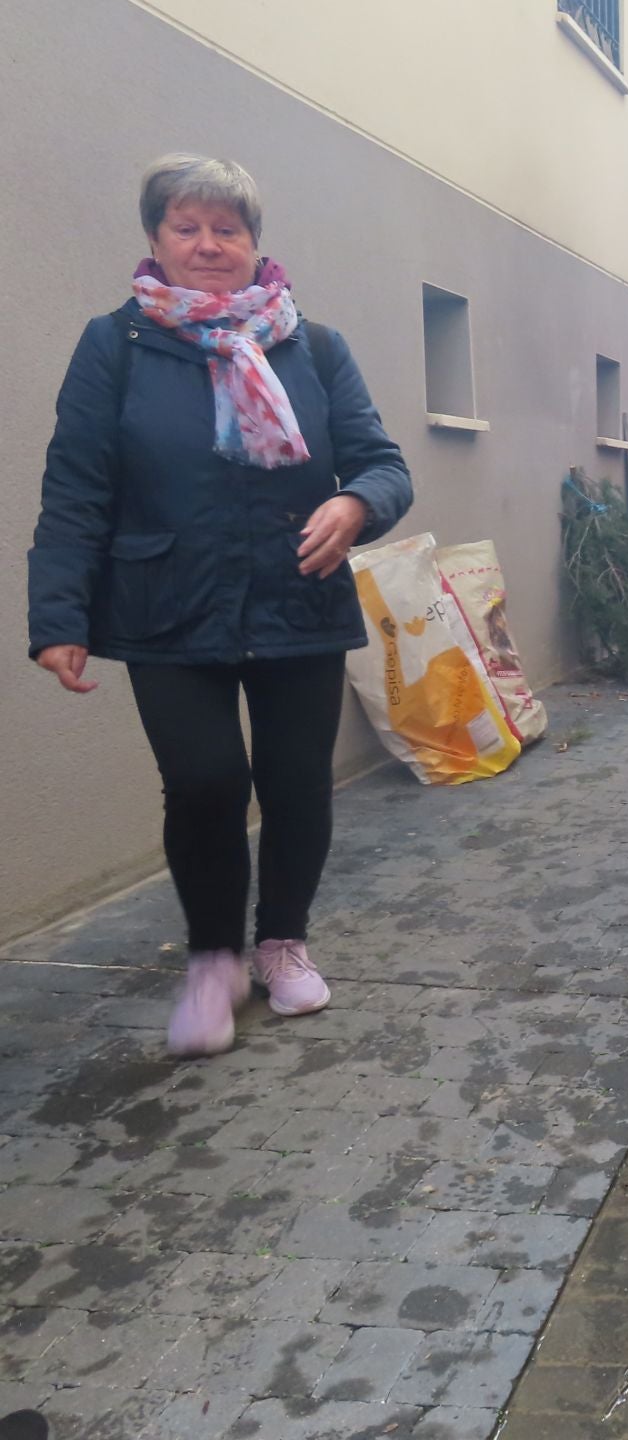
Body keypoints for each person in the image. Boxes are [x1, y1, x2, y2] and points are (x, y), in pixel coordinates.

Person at [27, 154, 413, 1058]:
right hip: (166, 605)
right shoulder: (114, 344)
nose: (208, 244)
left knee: (294, 783)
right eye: (187, 227)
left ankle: (280, 943)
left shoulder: (311, 345)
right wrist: (60, 617)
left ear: (253, 242)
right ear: (156, 240)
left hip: (297, 597)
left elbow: (382, 462)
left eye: (227, 229)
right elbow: (77, 485)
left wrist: (358, 505)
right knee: (202, 782)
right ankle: (212, 960)